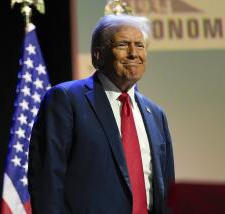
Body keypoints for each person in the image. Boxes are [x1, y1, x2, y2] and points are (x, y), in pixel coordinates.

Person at [28, 14, 175, 214]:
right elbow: (48, 181)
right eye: (123, 45)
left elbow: (168, 192)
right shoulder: (66, 100)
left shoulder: (156, 115)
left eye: (140, 45)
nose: (134, 53)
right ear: (98, 55)